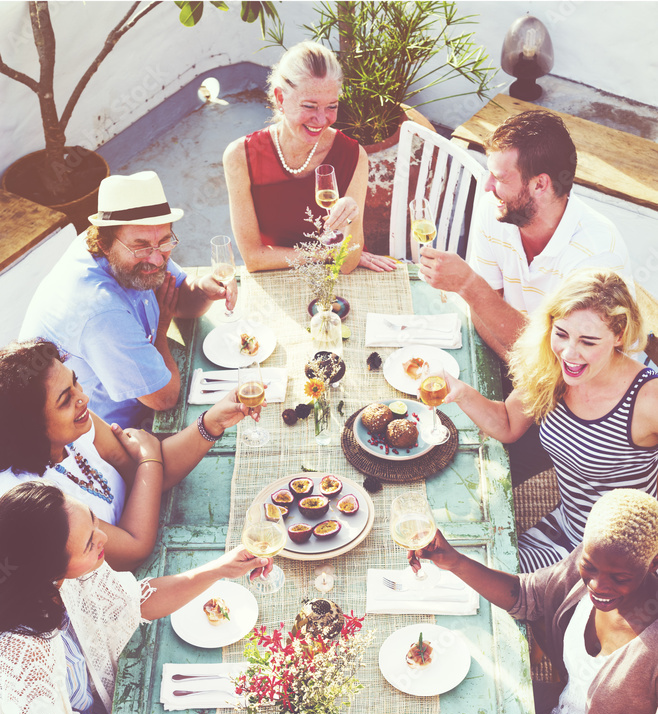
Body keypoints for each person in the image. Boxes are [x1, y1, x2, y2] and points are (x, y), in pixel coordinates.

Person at [0, 481, 273, 714]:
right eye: (88, 542)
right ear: (47, 570)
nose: (102, 538)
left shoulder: (72, 573)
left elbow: (135, 602)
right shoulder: (19, 646)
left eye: (94, 520)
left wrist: (219, 570)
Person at [409, 488, 658, 714]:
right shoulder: (587, 564)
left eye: (620, 577)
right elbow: (525, 595)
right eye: (590, 567)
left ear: (651, 565)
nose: (597, 586)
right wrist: (454, 561)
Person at [443, 269, 658, 572]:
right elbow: (506, 423)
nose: (570, 353)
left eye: (588, 342)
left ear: (619, 336)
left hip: (620, 558)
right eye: (562, 334)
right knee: (475, 565)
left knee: (496, 583)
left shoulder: (648, 398)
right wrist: (460, 391)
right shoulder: (550, 365)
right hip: (567, 527)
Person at [0, 339, 261, 570]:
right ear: (30, 428)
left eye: (75, 381)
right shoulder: (33, 499)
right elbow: (134, 550)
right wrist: (148, 459)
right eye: (65, 400)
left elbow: (152, 476)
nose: (83, 398)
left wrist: (213, 422)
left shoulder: (76, 424)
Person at [19, 170, 237, 427]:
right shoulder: (99, 310)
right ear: (103, 243)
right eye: (142, 246)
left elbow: (176, 297)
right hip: (101, 436)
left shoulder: (127, 245)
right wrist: (162, 330)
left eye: (165, 242)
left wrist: (202, 288)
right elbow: (164, 397)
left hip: (143, 398)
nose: (156, 259)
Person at [419, 109, 634, 358]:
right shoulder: (495, 209)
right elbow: (482, 312)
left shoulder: (595, 256)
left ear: (539, 185)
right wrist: (518, 364)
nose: (488, 187)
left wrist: (469, 285)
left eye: (499, 177)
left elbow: (562, 359)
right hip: (520, 363)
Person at [223, 40, 396, 275]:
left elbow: (346, 264)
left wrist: (351, 217)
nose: (321, 119)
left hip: (337, 279)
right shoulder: (240, 157)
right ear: (281, 98)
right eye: (310, 106)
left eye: (332, 106)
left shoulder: (354, 155)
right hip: (279, 277)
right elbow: (253, 258)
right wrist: (329, 254)